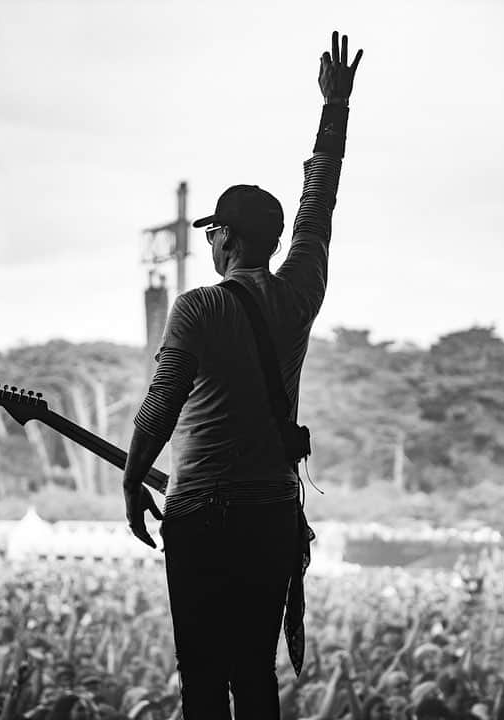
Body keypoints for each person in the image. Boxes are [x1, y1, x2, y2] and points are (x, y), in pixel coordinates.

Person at [122, 29, 363, 719]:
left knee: (202, 677)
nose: (208, 242)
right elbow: (320, 202)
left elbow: (160, 407)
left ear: (226, 238)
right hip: (271, 518)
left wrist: (134, 477)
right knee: (254, 674)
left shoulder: (198, 307)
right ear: (276, 242)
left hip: (199, 513)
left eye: (211, 233)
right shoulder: (299, 292)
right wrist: (336, 108)